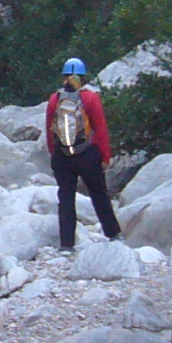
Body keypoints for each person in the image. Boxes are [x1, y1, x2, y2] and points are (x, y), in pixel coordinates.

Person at [43, 56, 122, 252]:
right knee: (99, 194)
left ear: (64, 76)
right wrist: (105, 156)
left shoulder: (55, 99)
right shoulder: (90, 98)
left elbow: (49, 130)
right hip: (87, 154)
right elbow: (100, 129)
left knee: (66, 198)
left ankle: (67, 244)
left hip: (62, 156)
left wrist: (55, 154)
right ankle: (113, 234)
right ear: (83, 77)